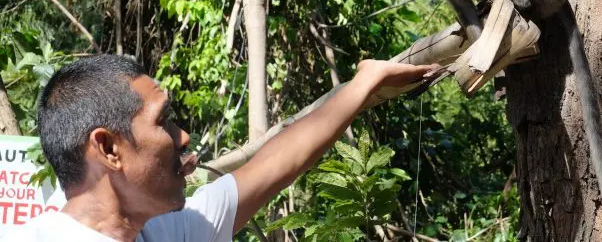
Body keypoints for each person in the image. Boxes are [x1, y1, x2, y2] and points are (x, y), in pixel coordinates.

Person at [5, 54, 439, 241]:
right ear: (109, 148)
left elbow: (278, 164)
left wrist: (364, 83)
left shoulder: (172, 232)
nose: (183, 137)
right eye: (164, 121)